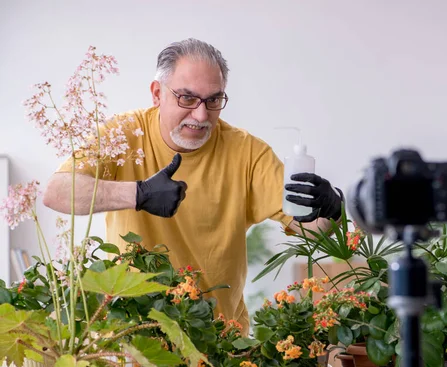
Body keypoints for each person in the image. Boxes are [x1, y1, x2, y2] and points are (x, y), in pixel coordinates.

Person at [42, 38, 343, 334]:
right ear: (157, 93)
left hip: (219, 341)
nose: (201, 116)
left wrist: (333, 207)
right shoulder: (123, 135)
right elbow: (56, 193)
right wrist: (138, 194)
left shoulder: (248, 152)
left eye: (213, 100)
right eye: (187, 98)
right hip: (133, 337)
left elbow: (311, 230)